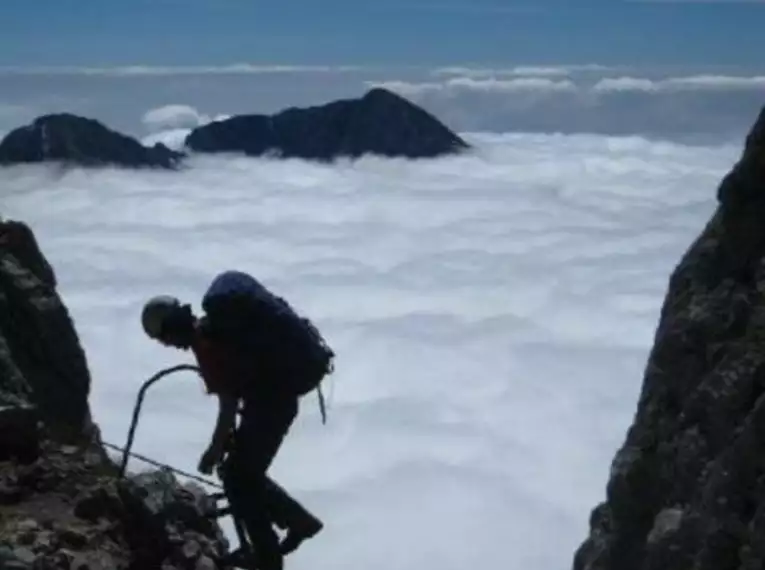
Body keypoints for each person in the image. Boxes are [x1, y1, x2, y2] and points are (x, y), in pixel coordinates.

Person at [140, 272, 325, 569]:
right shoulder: (217, 331)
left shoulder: (208, 344)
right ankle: (296, 521)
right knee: (238, 473)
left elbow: (228, 403)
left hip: (270, 407)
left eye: (164, 339)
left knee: (241, 480)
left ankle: (269, 557)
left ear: (170, 331)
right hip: (272, 403)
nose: (168, 346)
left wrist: (214, 448)